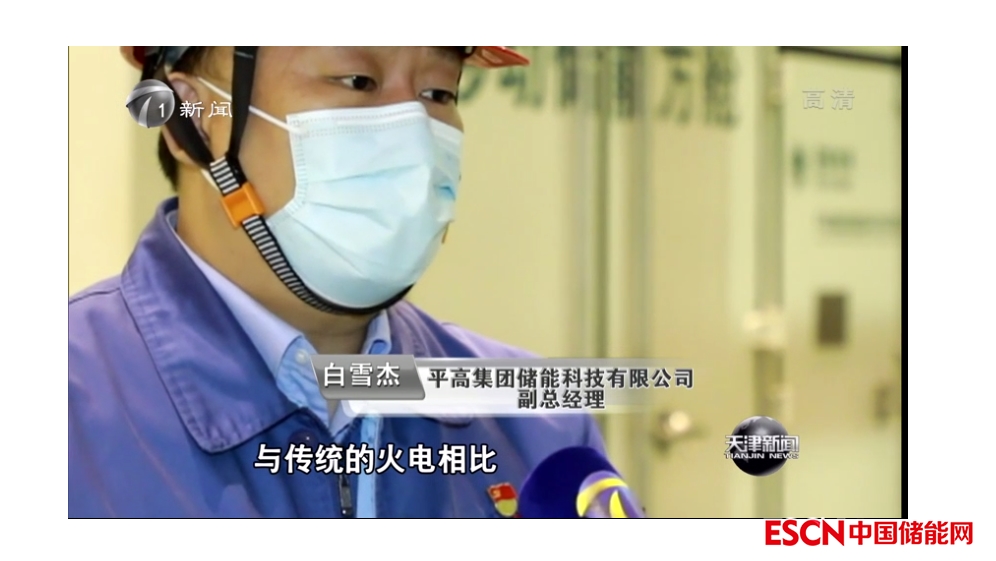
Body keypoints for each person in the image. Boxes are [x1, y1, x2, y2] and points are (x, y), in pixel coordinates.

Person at [69, 46, 607, 518]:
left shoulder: (540, 429)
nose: (413, 132)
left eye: (438, 92)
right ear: (192, 120)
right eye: (357, 81)